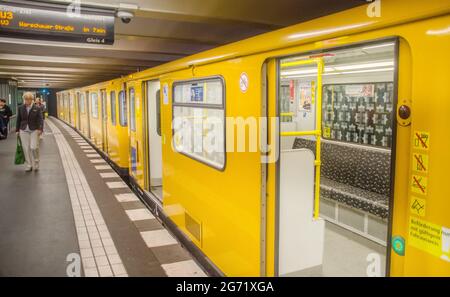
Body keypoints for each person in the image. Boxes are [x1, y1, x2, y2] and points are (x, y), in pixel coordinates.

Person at [16, 92, 43, 172]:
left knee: (34, 147)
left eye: (28, 99)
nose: (27, 101)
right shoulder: (21, 107)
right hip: (23, 130)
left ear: (32, 99)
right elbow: (19, 119)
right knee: (26, 148)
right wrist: (17, 130)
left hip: (34, 129)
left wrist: (40, 129)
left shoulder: (37, 108)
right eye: (25, 99)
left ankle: (36, 162)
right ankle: (29, 165)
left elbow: (40, 119)